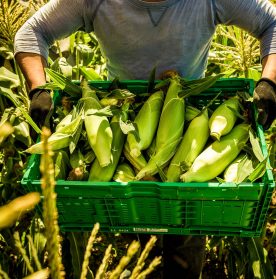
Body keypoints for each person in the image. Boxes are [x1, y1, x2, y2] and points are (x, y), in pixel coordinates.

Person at [14, 0, 276, 278]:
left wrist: (269, 82)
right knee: (137, 236)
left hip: (189, 119)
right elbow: (32, 32)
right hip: (123, 120)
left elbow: (271, 22)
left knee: (185, 235)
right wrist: (38, 88)